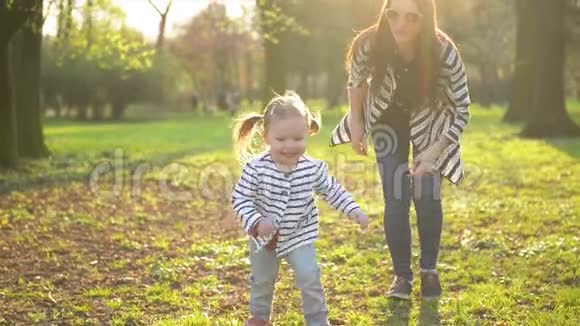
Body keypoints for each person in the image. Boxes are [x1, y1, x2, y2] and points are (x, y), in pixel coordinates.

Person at [330, 0, 471, 300]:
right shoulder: (369, 43)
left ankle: (429, 271)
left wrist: (434, 153)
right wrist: (356, 123)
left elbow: (462, 110)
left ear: (425, 19)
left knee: (427, 192)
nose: (401, 24)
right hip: (387, 123)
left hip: (430, 122)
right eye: (393, 14)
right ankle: (402, 278)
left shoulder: (443, 51)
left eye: (411, 17)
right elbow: (356, 83)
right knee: (396, 197)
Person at [232, 91, 370, 325]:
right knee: (262, 280)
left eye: (298, 139)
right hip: (264, 240)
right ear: (266, 137)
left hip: (300, 235)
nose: (290, 146)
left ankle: (317, 320)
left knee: (310, 276)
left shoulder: (312, 168)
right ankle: (259, 317)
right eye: (281, 139)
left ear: (308, 133)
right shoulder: (256, 169)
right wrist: (256, 221)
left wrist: (352, 209)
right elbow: (240, 198)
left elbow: (332, 190)